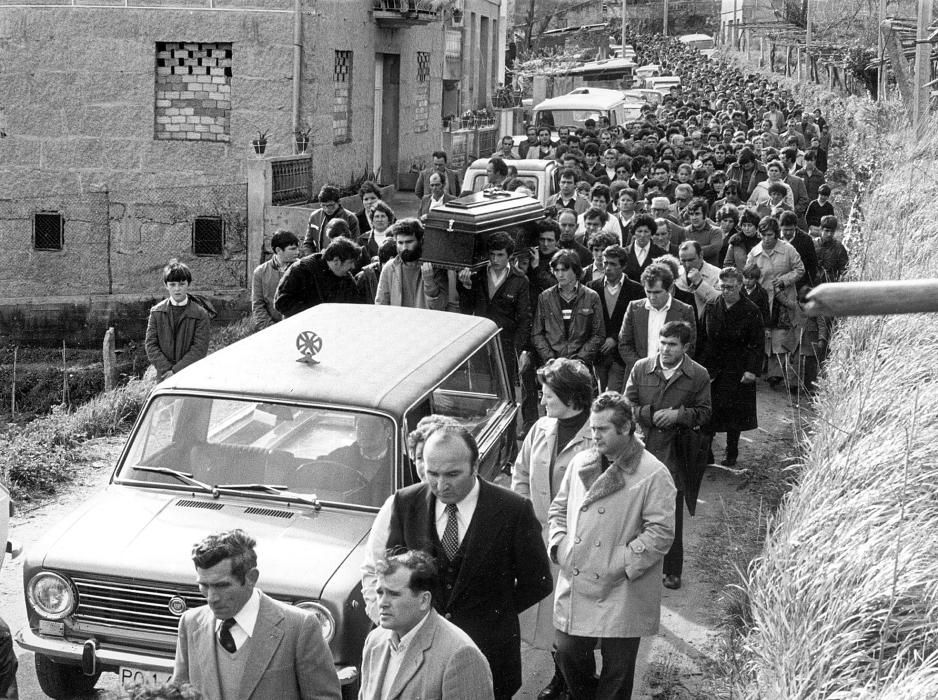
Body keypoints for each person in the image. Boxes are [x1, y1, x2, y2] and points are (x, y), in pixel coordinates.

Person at [383, 424, 553, 700]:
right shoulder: (406, 502)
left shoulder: (513, 509)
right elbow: (395, 569)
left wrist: (495, 610)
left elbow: (538, 581)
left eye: (452, 474)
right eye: (432, 474)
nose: (441, 485)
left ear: (476, 465)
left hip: (489, 653)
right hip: (422, 656)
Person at [548, 391, 676, 700]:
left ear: (626, 428)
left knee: (617, 674)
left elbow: (661, 532)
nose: (594, 436)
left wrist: (617, 562)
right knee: (568, 654)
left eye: (602, 429)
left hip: (623, 588)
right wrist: (561, 547)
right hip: (577, 578)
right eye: (592, 428)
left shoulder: (654, 473)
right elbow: (558, 510)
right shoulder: (582, 461)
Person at [172, 529, 341, 700]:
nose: (211, 598)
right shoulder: (190, 623)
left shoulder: (299, 627)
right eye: (204, 586)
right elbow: (177, 695)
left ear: (251, 578)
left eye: (222, 586)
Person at [511, 358, 595, 699]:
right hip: (540, 540)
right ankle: (562, 679)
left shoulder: (597, 437)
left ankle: (579, 684)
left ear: (571, 397)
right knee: (550, 621)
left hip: (581, 547)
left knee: (577, 623)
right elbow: (520, 475)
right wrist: (523, 521)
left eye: (548, 395)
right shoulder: (540, 429)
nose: (542, 401)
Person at [624, 321, 711, 591]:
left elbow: (706, 412)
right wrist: (648, 414)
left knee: (670, 512)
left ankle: (673, 570)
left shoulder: (698, 375)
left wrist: (678, 416)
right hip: (642, 447)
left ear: (685, 347)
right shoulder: (641, 368)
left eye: (672, 344)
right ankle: (633, 564)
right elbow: (627, 403)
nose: (665, 349)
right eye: (662, 343)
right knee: (634, 510)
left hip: (675, 451)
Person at [360, 550, 494, 700]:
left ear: (424, 600)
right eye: (379, 593)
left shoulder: (460, 655)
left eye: (394, 594)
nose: (382, 603)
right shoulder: (374, 641)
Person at [700, 267, 764, 467]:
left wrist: (751, 370)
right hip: (713, 367)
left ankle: (732, 450)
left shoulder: (751, 310)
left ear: (740, 286)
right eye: (723, 287)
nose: (726, 291)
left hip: (737, 368)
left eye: (731, 287)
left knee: (734, 413)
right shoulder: (711, 306)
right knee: (709, 412)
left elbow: (757, 343)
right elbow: (701, 338)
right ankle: (706, 452)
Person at [457, 232, 532, 387]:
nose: (495, 259)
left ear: (510, 256)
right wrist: (467, 287)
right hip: (481, 340)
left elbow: (524, 318)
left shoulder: (520, 280)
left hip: (505, 342)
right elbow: (466, 309)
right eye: (492, 254)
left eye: (500, 255)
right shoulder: (477, 274)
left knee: (504, 386)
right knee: (480, 384)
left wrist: (517, 348)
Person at [746, 216, 805, 388]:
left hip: (783, 298)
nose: (766, 238)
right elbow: (749, 274)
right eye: (763, 235)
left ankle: (776, 372)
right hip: (762, 298)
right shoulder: (755, 253)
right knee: (763, 332)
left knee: (781, 333)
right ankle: (762, 369)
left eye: (770, 235)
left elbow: (800, 269)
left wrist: (785, 280)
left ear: (776, 234)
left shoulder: (788, 250)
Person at [617, 263, 697, 384]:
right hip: (638, 378)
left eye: (657, 292)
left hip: (671, 379)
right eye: (648, 291)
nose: (652, 297)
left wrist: (668, 370)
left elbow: (689, 347)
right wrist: (643, 368)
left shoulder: (685, 310)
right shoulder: (634, 308)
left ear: (670, 288)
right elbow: (624, 344)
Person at [530, 250, 605, 370]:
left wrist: (581, 359)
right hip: (553, 365)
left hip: (581, 366)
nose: (560, 274)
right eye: (557, 270)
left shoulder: (591, 296)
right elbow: (537, 333)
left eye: (564, 270)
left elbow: (598, 334)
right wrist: (549, 359)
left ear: (575, 270)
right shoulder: (545, 297)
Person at [588, 245, 646, 392]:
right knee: (600, 392)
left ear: (623, 266)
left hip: (621, 354)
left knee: (613, 392)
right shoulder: (592, 287)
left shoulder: (636, 290)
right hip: (599, 353)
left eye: (613, 264)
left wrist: (614, 338)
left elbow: (636, 323)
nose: (607, 268)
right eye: (605, 263)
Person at [145, 262, 213, 382]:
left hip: (191, 375)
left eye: (182, 284)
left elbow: (199, 349)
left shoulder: (200, 314)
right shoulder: (157, 312)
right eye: (172, 284)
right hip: (164, 376)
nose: (177, 289)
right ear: (166, 285)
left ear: (188, 284)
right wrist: (167, 370)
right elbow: (151, 345)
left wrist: (176, 371)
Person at [273, 237, 364, 317]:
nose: (353, 267)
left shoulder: (347, 279)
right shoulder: (302, 270)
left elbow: (355, 307)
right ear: (336, 261)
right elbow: (281, 302)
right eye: (350, 262)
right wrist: (315, 314)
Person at [375, 218, 448, 309]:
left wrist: (429, 282)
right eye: (400, 243)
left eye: (409, 242)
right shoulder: (390, 268)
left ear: (420, 241)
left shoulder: (434, 267)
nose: (404, 247)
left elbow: (440, 306)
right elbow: (381, 305)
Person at [303, 185, 360, 254]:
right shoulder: (314, 216)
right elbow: (308, 243)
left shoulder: (350, 218)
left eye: (331, 205)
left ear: (338, 202)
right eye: (323, 205)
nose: (327, 209)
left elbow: (353, 245)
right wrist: (313, 259)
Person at [623, 214, 667, 283]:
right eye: (639, 231)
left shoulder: (661, 254)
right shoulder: (623, 253)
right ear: (634, 232)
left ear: (651, 233)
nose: (642, 235)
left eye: (646, 231)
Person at [683, 197, 724, 266]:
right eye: (691, 214)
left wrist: (689, 252)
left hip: (711, 272)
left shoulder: (716, 231)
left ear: (705, 215)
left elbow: (713, 249)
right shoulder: (684, 231)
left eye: (697, 214)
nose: (694, 217)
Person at [815, 215, 848, 283]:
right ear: (821, 229)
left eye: (832, 231)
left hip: (831, 285)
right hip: (813, 284)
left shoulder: (839, 247)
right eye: (827, 231)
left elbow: (844, 270)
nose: (829, 234)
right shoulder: (812, 245)